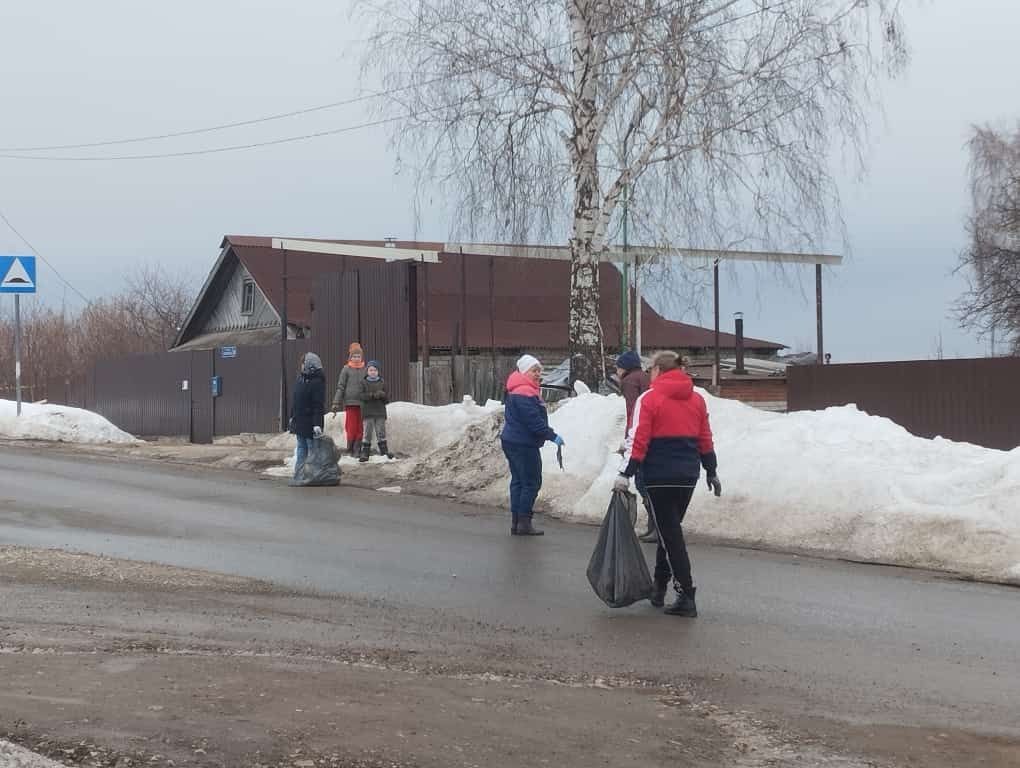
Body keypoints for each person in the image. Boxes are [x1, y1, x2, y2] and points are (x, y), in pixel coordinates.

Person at [613, 350, 722, 617]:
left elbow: (638, 439)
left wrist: (625, 473)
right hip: (687, 476)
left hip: (659, 475)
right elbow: (704, 437)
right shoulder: (696, 399)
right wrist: (711, 470)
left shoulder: (648, 399)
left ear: (658, 371)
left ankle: (686, 594)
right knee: (667, 531)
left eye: (651, 370)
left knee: (671, 536)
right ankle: (658, 588)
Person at [500, 354, 564, 537]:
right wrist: (553, 436)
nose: (538, 374)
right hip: (523, 443)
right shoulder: (525, 392)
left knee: (519, 481)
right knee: (531, 482)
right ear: (524, 371)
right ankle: (524, 523)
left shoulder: (518, 389)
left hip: (513, 441)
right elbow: (533, 422)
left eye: (539, 371)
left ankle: (517, 522)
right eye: (534, 370)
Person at [616, 350, 656, 542]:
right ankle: (654, 526)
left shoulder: (629, 381)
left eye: (618, 366)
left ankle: (655, 526)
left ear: (625, 367)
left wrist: (628, 440)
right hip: (654, 434)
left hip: (641, 434)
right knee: (647, 480)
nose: (616, 370)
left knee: (642, 482)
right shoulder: (645, 377)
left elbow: (634, 411)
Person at [290, 352, 326, 479]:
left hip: (310, 423)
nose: (301, 366)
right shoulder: (301, 379)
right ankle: (299, 474)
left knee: (312, 450)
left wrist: (317, 424)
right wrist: (292, 416)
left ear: (309, 365)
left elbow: (318, 405)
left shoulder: (317, 382)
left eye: (303, 363)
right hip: (300, 421)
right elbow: (295, 400)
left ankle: (313, 475)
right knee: (301, 448)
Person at [331, 342, 367, 456]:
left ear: (361, 357)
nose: (356, 359)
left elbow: (369, 385)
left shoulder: (365, 369)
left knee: (360, 427)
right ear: (350, 357)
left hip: (362, 403)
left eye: (358, 356)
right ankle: (350, 448)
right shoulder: (346, 369)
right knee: (351, 427)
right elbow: (341, 387)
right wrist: (336, 402)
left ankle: (358, 448)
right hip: (350, 403)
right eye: (354, 356)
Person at [359, 360, 393, 462]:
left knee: (381, 432)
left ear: (378, 371)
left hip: (380, 412)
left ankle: (384, 451)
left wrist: (382, 395)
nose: (373, 372)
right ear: (367, 371)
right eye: (370, 370)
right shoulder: (363, 382)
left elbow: (387, 399)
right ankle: (365, 453)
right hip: (368, 412)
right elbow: (361, 396)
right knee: (367, 433)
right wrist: (372, 395)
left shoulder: (382, 382)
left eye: (375, 370)